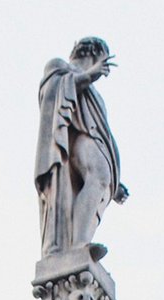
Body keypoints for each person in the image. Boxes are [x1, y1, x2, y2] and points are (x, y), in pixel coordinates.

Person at [36, 38, 129, 257]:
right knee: (99, 174)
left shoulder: (97, 96)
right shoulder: (59, 66)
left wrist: (115, 183)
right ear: (97, 54)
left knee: (101, 179)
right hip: (75, 142)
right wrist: (88, 76)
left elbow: (102, 137)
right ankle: (78, 244)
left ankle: (81, 241)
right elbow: (51, 94)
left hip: (91, 143)